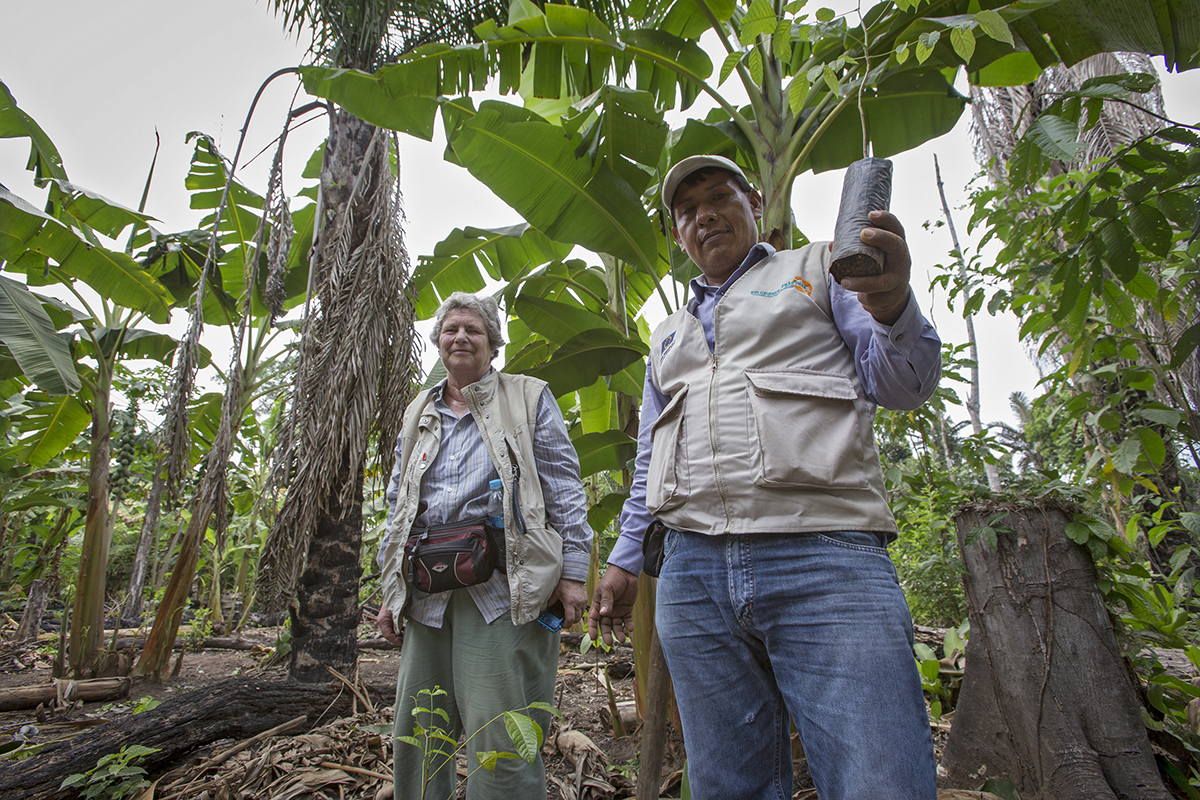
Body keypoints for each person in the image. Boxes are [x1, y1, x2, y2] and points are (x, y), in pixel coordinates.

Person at [587, 154, 942, 800]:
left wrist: (889, 302)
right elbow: (648, 465)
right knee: (729, 787)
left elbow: (902, 383)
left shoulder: (821, 270)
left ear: (754, 203)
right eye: (686, 211)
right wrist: (624, 559)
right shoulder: (668, 334)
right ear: (678, 236)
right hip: (692, 578)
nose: (703, 216)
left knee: (877, 778)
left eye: (717, 197)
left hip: (824, 556)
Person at [376, 292, 591, 800]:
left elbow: (563, 486)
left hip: (501, 588)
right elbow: (397, 502)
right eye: (451, 329)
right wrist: (390, 592)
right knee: (418, 734)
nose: (461, 337)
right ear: (439, 342)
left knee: (501, 735)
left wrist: (574, 573)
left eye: (473, 329)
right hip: (427, 593)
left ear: (493, 343)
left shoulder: (528, 397)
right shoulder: (418, 411)